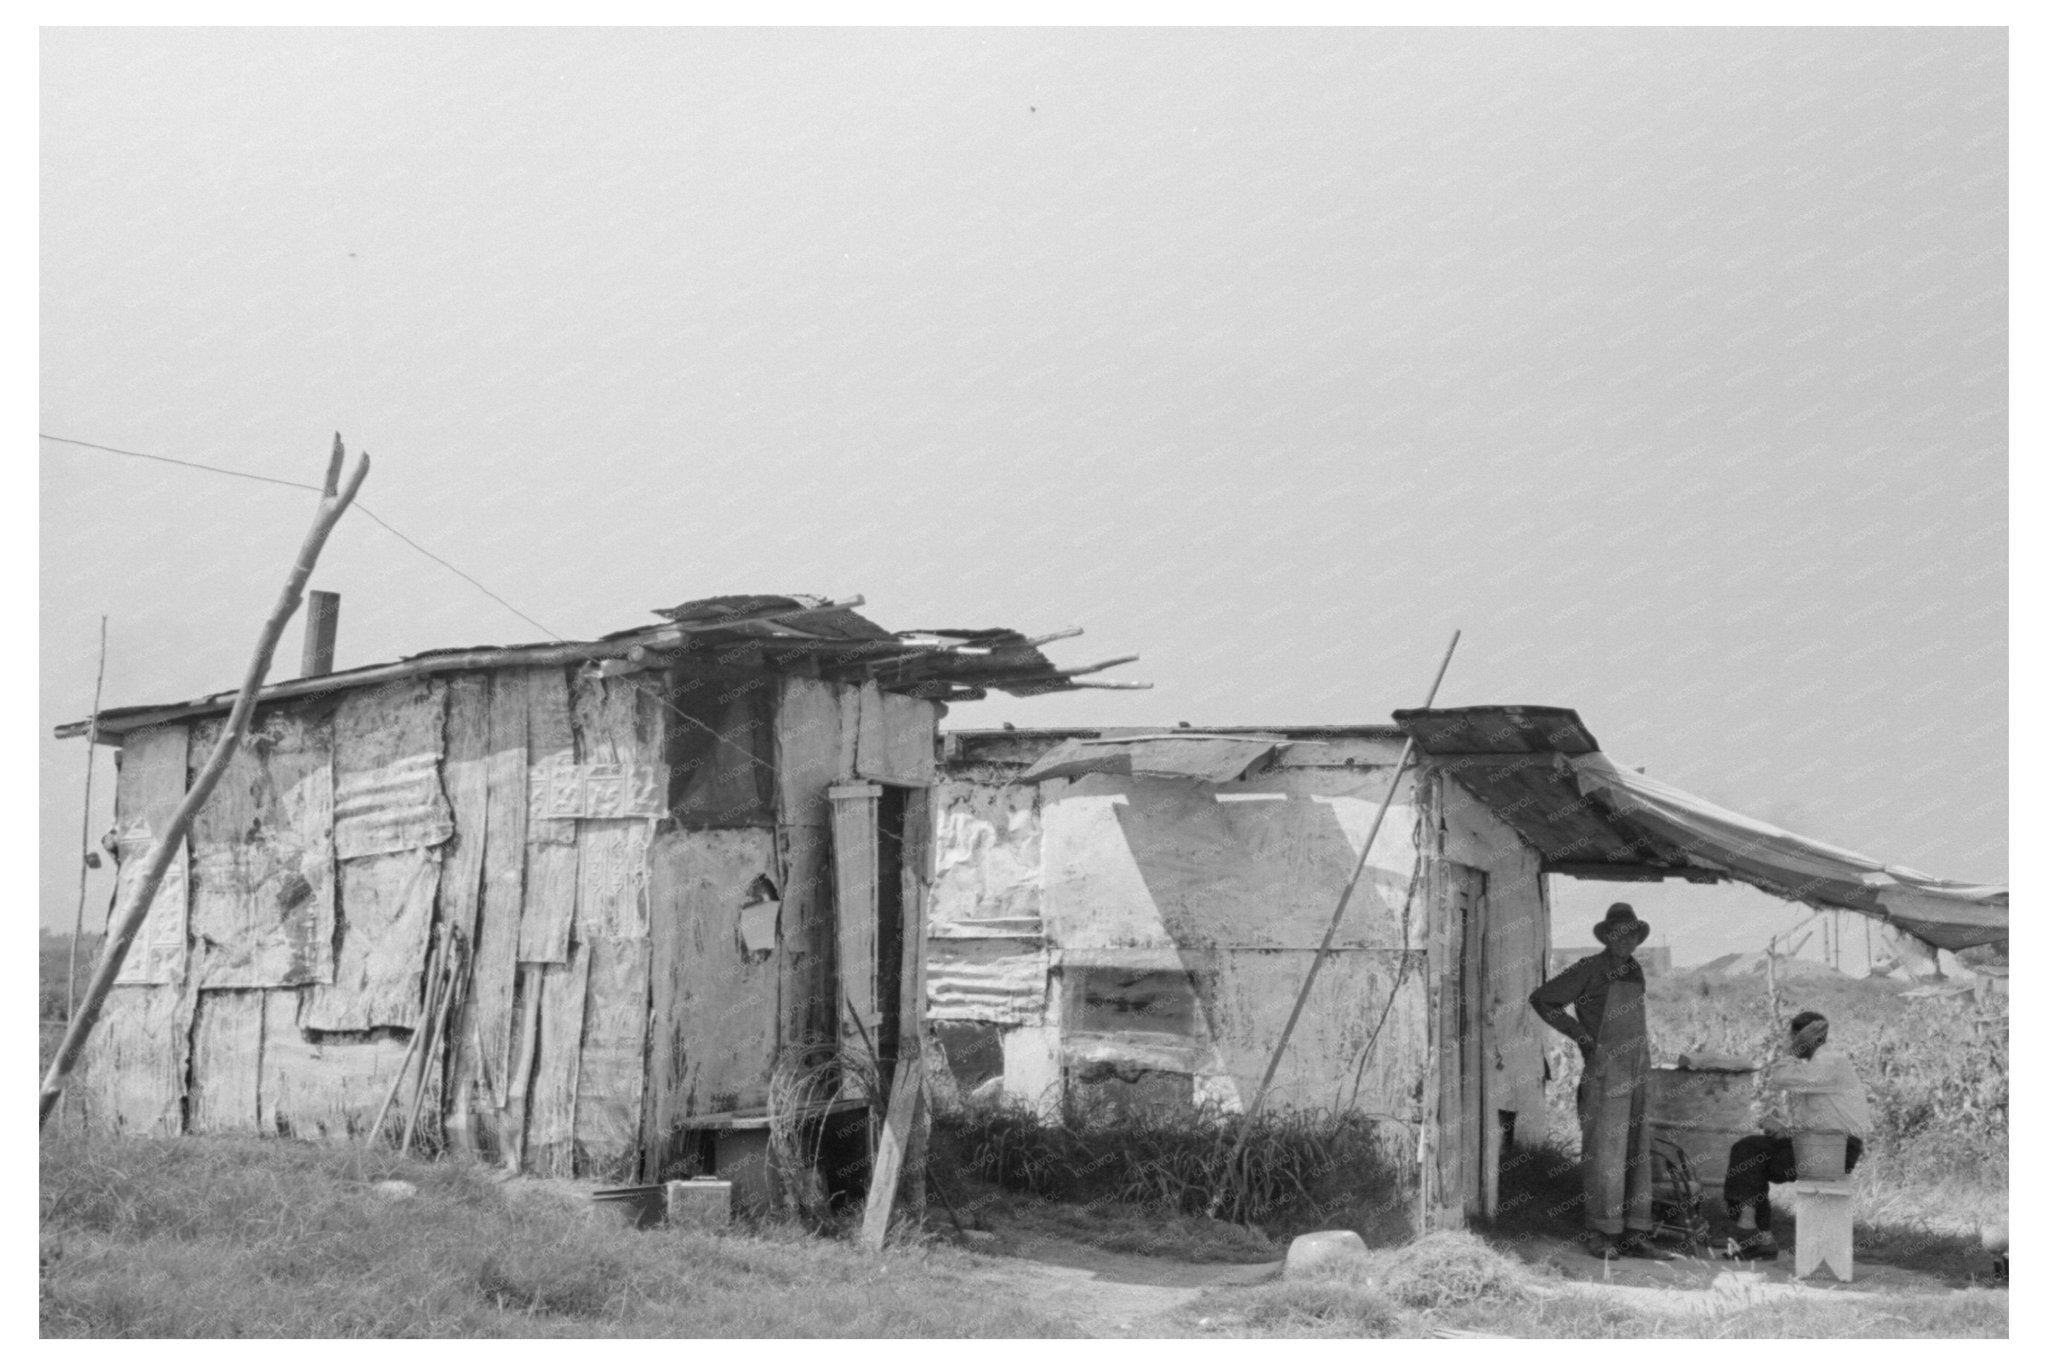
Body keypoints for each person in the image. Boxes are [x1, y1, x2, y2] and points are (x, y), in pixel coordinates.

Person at [1529, 903, 1674, 1260]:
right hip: (1606, 1070)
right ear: (1608, 937)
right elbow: (1543, 999)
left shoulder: (1635, 969)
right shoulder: (1589, 968)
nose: (1627, 940)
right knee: (1605, 1153)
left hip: (1637, 1070)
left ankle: (1635, 1233)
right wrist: (1581, 1036)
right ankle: (1601, 1233)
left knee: (1636, 1152)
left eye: (1632, 935)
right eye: (1619, 934)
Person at [1722, 1010, 1870, 1260]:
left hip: (1837, 1150)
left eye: (1793, 1037)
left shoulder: (1830, 1060)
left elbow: (1781, 1078)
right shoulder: (1821, 1064)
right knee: (1750, 1152)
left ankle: (1752, 1232)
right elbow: (1825, 1120)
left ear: (1802, 1037)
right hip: (1821, 1145)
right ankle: (1757, 1235)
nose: (1791, 1042)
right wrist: (1787, 1131)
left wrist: (1792, 1050)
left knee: (1750, 1153)